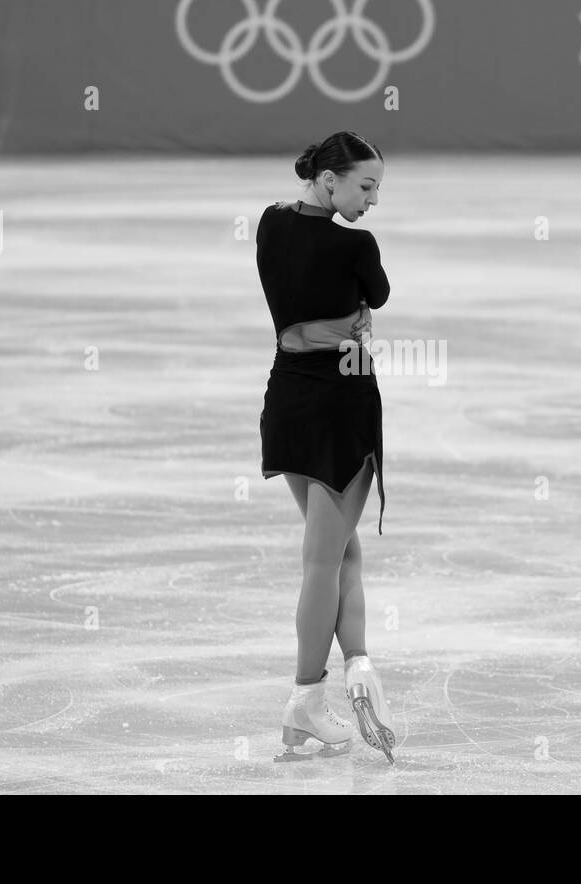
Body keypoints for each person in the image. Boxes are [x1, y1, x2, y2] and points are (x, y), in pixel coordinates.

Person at [256, 130, 396, 763]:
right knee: (326, 557)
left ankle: (353, 668)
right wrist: (356, 317)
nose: (371, 200)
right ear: (331, 179)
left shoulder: (270, 224)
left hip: (287, 399)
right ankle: (308, 696)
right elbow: (380, 292)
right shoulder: (356, 244)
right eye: (365, 186)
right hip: (341, 401)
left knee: (340, 552)